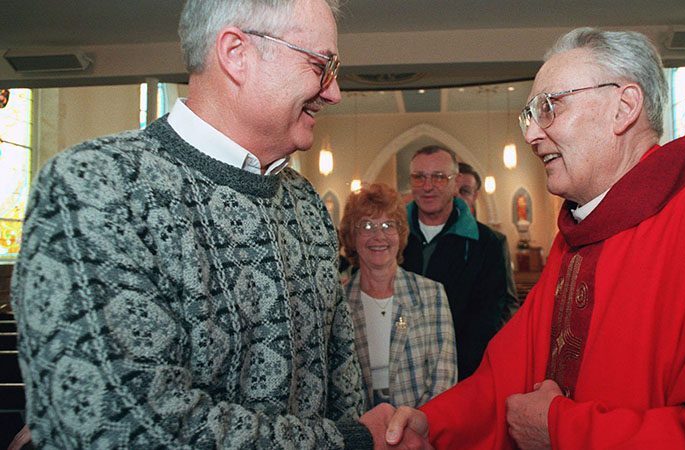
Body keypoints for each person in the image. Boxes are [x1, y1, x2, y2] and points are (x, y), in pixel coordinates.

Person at [10, 0, 427, 448]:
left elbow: (341, 380)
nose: (334, 92)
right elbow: (123, 427)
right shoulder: (96, 187)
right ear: (236, 53)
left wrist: (377, 433)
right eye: (321, 66)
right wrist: (354, 442)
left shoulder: (305, 202)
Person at [386, 27, 685, 449]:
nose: (533, 135)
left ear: (624, 106)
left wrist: (563, 430)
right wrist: (433, 424)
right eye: (530, 116)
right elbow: (504, 377)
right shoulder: (578, 234)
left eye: (549, 107)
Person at [402, 145, 516, 380]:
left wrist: (451, 373)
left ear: (455, 184)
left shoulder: (487, 243)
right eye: (419, 177)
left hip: (461, 373)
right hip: (401, 371)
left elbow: (487, 319)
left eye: (439, 177)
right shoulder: (392, 237)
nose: (428, 186)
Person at [339, 182, 457, 409]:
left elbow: (444, 377)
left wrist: (414, 427)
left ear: (400, 233)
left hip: (420, 430)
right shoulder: (339, 303)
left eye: (387, 225)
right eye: (366, 226)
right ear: (351, 237)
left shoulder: (431, 294)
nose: (378, 235)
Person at [455, 162, 520, 324]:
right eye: (452, 190)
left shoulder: (494, 241)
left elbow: (508, 302)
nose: (457, 197)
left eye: (465, 191)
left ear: (475, 196)